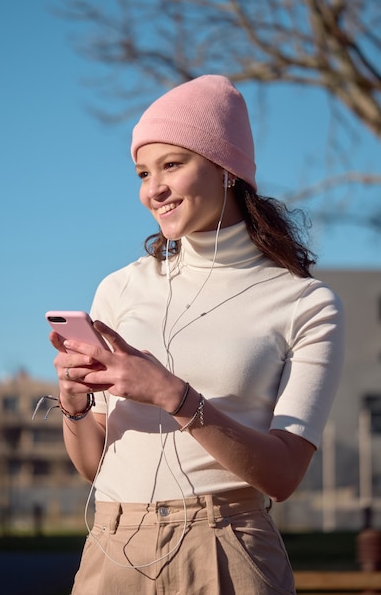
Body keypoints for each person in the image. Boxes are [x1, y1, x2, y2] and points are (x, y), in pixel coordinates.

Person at [48, 75, 344, 594]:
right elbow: (96, 464)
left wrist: (171, 394)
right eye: (142, 172)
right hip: (113, 549)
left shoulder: (305, 303)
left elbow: (283, 476)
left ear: (227, 168)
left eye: (172, 165)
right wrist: (73, 403)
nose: (152, 189)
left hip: (227, 548)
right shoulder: (119, 289)